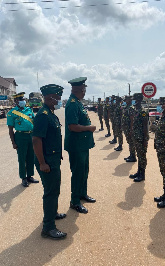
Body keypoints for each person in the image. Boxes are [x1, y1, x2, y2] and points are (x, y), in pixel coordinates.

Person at [32, 84, 67, 240]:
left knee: (54, 190)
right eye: (57, 97)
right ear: (48, 97)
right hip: (47, 161)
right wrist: (42, 163)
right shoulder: (43, 115)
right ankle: (48, 228)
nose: (58, 100)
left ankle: (52, 214)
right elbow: (36, 140)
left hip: (52, 159)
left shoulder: (50, 113)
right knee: (51, 192)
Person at [64, 77, 96, 214]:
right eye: (84, 90)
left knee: (84, 171)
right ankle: (75, 201)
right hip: (76, 146)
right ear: (79, 90)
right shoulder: (72, 104)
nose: (84, 92)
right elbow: (72, 127)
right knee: (77, 173)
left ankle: (82, 194)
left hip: (82, 145)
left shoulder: (78, 102)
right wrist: (89, 128)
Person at [7, 92, 38, 187]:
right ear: (16, 101)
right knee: (22, 158)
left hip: (31, 135)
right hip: (20, 137)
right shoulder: (11, 113)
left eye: (23, 99)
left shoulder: (29, 110)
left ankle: (30, 176)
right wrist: (13, 143)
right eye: (20, 100)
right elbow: (10, 130)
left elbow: (34, 122)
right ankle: (23, 178)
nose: (23, 101)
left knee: (31, 157)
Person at [129, 93, 149, 182]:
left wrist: (145, 139)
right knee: (139, 155)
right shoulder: (136, 110)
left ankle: (142, 174)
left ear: (140, 100)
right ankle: (139, 172)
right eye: (134, 100)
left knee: (142, 156)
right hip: (136, 137)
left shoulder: (143, 111)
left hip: (141, 138)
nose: (135, 101)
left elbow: (145, 127)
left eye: (136, 100)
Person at [122, 95, 137, 162]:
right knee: (129, 142)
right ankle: (131, 155)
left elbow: (132, 119)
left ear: (129, 100)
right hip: (126, 128)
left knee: (131, 142)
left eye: (126, 100)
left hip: (129, 128)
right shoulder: (126, 107)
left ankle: (133, 156)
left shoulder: (131, 108)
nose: (125, 101)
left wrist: (131, 129)